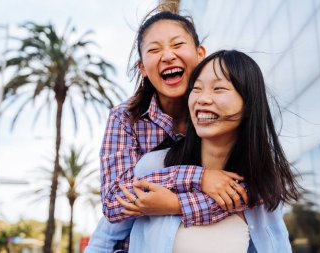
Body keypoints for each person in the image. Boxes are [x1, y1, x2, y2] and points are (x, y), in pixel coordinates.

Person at [85, 6, 249, 253]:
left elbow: (248, 194)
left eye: (177, 44)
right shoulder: (125, 118)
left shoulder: (223, 113)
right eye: (154, 49)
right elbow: (115, 202)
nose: (168, 55)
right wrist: (199, 177)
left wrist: (174, 203)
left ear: (200, 53)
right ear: (142, 68)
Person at [116, 49, 300, 253]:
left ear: (249, 104)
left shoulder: (260, 187)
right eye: (196, 89)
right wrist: (196, 178)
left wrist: (176, 204)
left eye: (219, 88)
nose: (202, 99)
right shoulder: (153, 166)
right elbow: (108, 227)